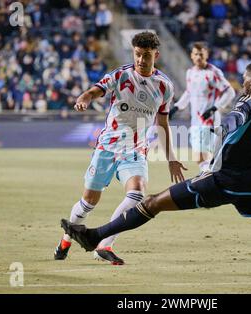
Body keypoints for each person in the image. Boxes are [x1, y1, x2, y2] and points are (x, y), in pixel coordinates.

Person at [61, 22, 251, 276]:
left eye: (244, 81)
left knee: (152, 203)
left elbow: (230, 127)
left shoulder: (246, 107)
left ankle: (95, 236)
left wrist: (212, 141)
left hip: (222, 183)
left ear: (250, 84)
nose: (242, 84)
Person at [54, 31, 187, 265]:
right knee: (88, 203)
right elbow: (94, 90)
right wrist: (84, 99)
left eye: (146, 55)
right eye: (137, 54)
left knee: (137, 194)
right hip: (107, 147)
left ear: (156, 54)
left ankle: (104, 244)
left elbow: (163, 124)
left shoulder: (165, 86)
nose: (141, 60)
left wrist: (172, 159)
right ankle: (66, 239)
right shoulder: (120, 75)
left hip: (135, 150)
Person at [169, 42, 236, 171]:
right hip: (195, 120)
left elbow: (230, 92)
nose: (198, 57)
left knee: (205, 156)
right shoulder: (190, 72)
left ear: (207, 55)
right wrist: (177, 107)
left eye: (201, 54)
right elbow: (189, 92)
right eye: (196, 54)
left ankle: (208, 183)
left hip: (209, 120)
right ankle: (210, 178)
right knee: (198, 158)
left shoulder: (213, 72)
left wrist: (214, 108)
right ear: (191, 56)